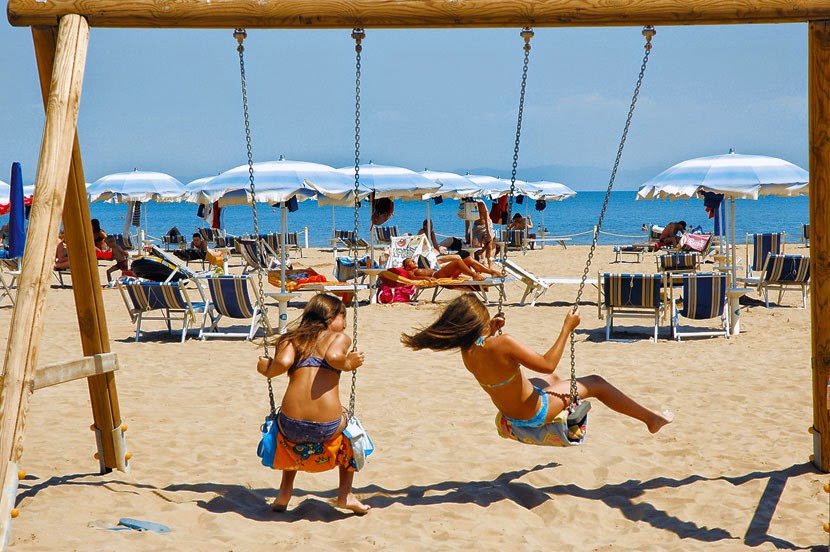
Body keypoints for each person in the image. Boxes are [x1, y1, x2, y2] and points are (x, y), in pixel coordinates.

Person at [401, 294, 674, 435]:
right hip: (534, 413)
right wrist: (567, 327)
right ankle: (650, 419)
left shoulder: (467, 351)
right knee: (596, 383)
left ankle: (568, 406)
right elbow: (545, 362)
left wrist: (490, 331)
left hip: (510, 413)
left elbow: (494, 357)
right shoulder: (503, 342)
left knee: (555, 379)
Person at [256, 294, 370, 514]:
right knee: (352, 428)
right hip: (326, 426)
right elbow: (335, 356)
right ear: (329, 317)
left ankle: (284, 493)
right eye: (342, 316)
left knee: (288, 438)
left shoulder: (291, 338)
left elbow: (283, 363)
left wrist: (266, 370)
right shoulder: (339, 337)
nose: (345, 324)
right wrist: (348, 363)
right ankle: (345, 495)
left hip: (289, 425)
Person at [401, 255, 497, 281]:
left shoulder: (417, 269)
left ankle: (492, 272)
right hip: (438, 275)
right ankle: (474, 274)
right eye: (411, 261)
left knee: (469, 259)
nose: (414, 261)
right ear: (407, 266)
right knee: (457, 261)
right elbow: (413, 278)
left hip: (440, 273)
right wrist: (426, 278)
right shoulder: (410, 272)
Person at [471, 200, 495, 268]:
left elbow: (487, 219)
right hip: (476, 226)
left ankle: (490, 266)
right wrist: (467, 231)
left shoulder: (481, 204)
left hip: (486, 225)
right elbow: (467, 219)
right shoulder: (469, 204)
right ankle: (481, 264)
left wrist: (488, 232)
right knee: (476, 246)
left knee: (489, 245)